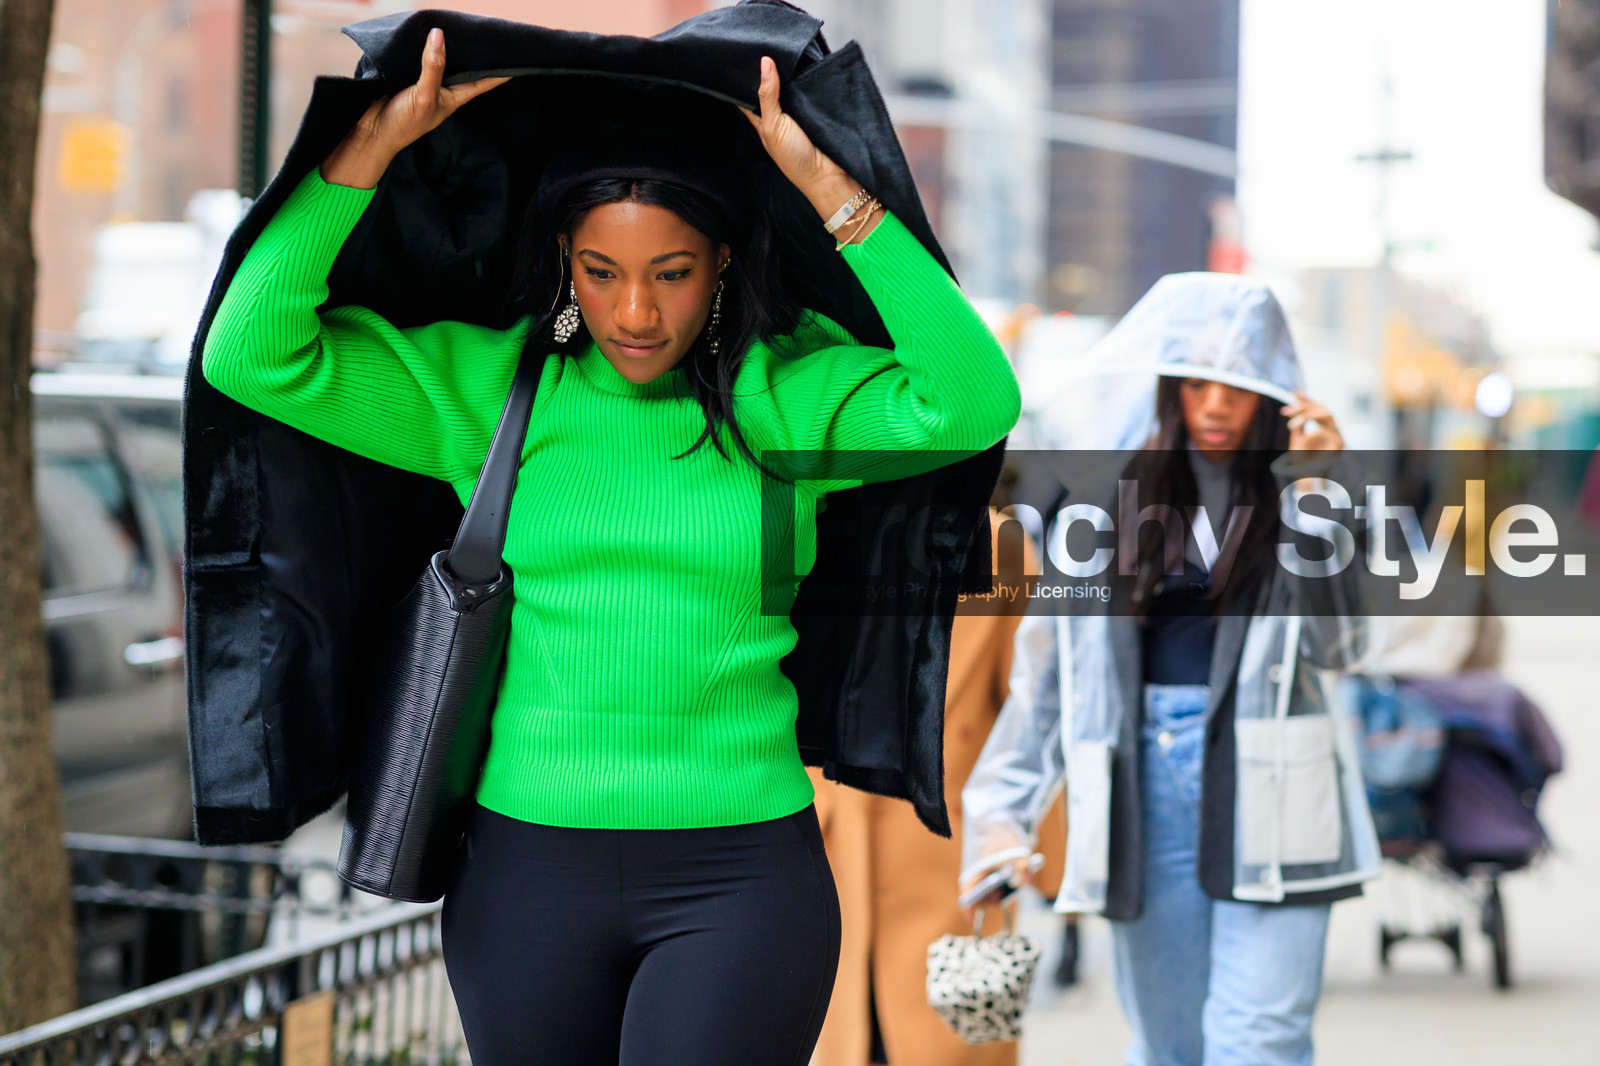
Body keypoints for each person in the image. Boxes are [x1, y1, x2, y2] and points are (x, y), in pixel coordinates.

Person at [199, 28, 1021, 1066]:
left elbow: (972, 401)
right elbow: (248, 354)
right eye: (601, 272)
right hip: (523, 878)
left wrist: (828, 188)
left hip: (740, 880)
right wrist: (373, 146)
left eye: (671, 273)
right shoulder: (487, 396)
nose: (635, 311)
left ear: (721, 262)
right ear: (564, 263)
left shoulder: (783, 398)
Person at [960, 273, 1380, 1066]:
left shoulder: (1309, 492)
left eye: (1237, 384)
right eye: (1195, 381)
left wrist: (1321, 492)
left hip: (1280, 785)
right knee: (1171, 1046)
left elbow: (1345, 649)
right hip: (1142, 785)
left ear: (1275, 392)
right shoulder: (1105, 505)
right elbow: (1048, 675)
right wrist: (1003, 812)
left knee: (1258, 1043)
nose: (1215, 405)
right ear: (1169, 387)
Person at [809, 507, 1066, 1066]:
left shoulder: (998, 543)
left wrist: (1046, 855)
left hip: (950, 848)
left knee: (949, 1037)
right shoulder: (807, 525)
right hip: (825, 840)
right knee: (838, 1032)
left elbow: (1031, 711)